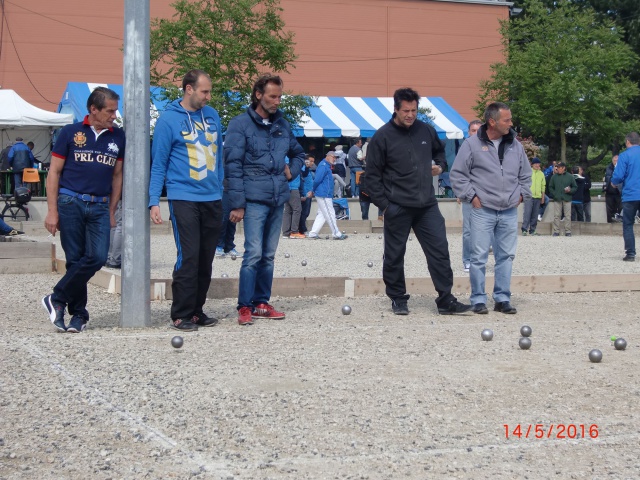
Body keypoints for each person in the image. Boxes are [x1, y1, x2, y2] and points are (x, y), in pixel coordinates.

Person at [366, 87, 471, 316]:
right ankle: (398, 298)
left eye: (414, 110)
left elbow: (441, 153)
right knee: (394, 255)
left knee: (440, 251)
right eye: (406, 111)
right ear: (396, 109)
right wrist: (385, 205)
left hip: (427, 205)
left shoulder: (426, 130)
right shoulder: (382, 136)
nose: (410, 115)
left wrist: (440, 166)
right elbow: (371, 176)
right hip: (397, 205)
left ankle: (445, 299)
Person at [41, 87, 125, 333]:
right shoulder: (70, 132)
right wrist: (52, 211)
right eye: (110, 111)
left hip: (100, 205)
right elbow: (54, 172)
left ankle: (57, 298)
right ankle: (78, 315)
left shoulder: (118, 136)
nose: (114, 115)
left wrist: (112, 209)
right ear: (93, 109)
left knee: (97, 257)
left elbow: (117, 176)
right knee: (75, 260)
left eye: (115, 110)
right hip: (71, 202)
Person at [225, 73, 305, 326]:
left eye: (280, 96)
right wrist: (237, 203)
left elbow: (299, 154)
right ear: (258, 95)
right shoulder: (240, 125)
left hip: (277, 198)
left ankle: (261, 302)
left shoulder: (282, 125)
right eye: (272, 96)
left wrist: (292, 170)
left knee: (268, 255)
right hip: (253, 199)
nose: (277, 101)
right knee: (253, 253)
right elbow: (232, 166)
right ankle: (244, 306)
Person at [149, 69, 224, 331]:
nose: (208, 96)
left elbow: (219, 158)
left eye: (209, 91)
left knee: (206, 258)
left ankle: (196, 311)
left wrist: (220, 190)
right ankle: (180, 313)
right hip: (183, 197)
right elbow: (158, 163)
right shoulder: (168, 120)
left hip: (212, 198)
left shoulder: (212, 116)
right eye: (204, 91)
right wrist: (154, 200)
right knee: (189, 256)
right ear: (189, 89)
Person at [451, 101, 531, 315]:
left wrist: (522, 194)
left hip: (509, 210)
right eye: (507, 120)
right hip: (483, 209)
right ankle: (478, 299)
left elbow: (525, 174)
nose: (511, 123)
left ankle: (502, 299)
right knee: (478, 257)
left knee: (506, 256)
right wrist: (472, 197)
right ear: (492, 122)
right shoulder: (471, 145)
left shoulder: (516, 145)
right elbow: (458, 175)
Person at [611, 132, 640, 261]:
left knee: (628, 224)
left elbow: (618, 175)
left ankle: (630, 254)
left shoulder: (624, 155)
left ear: (628, 141)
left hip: (631, 194)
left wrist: (613, 182)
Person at [308, 151, 349, 240]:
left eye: (336, 158)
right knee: (330, 213)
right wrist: (312, 190)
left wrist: (313, 190)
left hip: (324, 193)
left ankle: (313, 233)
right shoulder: (323, 166)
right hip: (324, 194)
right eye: (334, 157)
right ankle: (336, 233)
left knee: (322, 214)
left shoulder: (325, 165)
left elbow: (318, 180)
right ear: (328, 156)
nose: (335, 159)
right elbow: (317, 180)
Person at [460, 120, 482, 271]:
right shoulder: (465, 148)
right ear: (469, 132)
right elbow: (459, 173)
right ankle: (467, 259)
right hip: (469, 195)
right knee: (468, 230)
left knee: (486, 229)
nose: (476, 133)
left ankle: (479, 258)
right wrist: (462, 192)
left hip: (486, 195)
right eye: (473, 130)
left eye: (478, 130)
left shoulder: (489, 148)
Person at [548, 162, 577, 237]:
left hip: (567, 198)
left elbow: (575, 187)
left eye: (559, 167)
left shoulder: (570, 176)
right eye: (557, 167)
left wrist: (570, 191)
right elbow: (550, 187)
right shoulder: (554, 177)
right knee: (556, 215)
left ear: (564, 168)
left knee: (568, 216)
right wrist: (555, 194)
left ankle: (568, 231)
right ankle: (556, 231)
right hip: (557, 198)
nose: (557, 169)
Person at [215, 179, 242, 258]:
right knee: (224, 218)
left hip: (234, 188)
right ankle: (219, 246)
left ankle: (229, 246)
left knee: (233, 220)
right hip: (223, 188)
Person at [282, 157, 306, 239]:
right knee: (297, 209)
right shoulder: (295, 159)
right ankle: (294, 231)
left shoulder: (284, 158)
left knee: (287, 210)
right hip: (293, 188)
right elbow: (303, 168)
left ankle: (285, 232)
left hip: (285, 187)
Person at [521, 157, 545, 235]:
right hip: (529, 196)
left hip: (538, 196)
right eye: (536, 164)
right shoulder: (528, 172)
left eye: (538, 164)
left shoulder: (541, 174)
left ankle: (532, 230)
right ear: (532, 164)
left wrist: (542, 197)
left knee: (535, 214)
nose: (537, 165)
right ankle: (524, 229)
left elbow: (543, 186)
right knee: (527, 213)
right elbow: (524, 183)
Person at [604, 155, 622, 223]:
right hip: (609, 192)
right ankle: (610, 222)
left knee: (620, 208)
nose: (615, 162)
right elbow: (607, 178)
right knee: (609, 210)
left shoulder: (622, 167)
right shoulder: (609, 167)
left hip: (619, 192)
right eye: (614, 160)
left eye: (617, 161)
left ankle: (618, 220)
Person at [105, 200, 122, 268]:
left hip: (116, 197)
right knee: (120, 225)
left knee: (114, 224)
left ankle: (109, 257)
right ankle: (115, 259)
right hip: (123, 197)